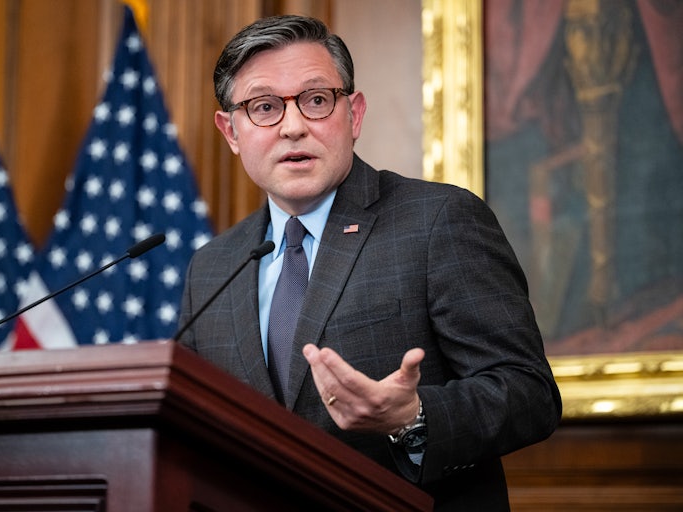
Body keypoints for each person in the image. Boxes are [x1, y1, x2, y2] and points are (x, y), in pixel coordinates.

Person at [178, 14, 561, 511]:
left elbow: (529, 394)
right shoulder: (212, 266)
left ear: (353, 115)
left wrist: (413, 416)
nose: (293, 127)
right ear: (230, 130)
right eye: (264, 107)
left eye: (316, 101)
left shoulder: (438, 220)